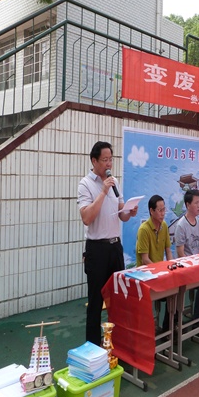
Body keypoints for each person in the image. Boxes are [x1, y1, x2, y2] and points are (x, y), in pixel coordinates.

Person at [78, 141, 138, 346]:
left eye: (111, 159)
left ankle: (118, 345)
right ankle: (92, 348)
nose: (109, 164)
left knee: (119, 299)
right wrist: (103, 191)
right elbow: (87, 218)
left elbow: (122, 215)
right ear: (94, 161)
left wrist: (129, 211)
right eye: (105, 160)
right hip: (97, 249)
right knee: (96, 302)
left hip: (115, 247)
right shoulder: (85, 184)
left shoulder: (115, 182)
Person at [174, 190, 199, 320]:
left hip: (198, 264)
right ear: (188, 205)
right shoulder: (181, 225)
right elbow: (180, 252)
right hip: (187, 266)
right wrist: (191, 266)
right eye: (196, 203)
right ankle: (198, 318)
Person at [136, 194, 172, 266]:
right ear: (151, 211)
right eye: (160, 210)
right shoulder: (144, 229)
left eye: (164, 210)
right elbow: (145, 259)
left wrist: (171, 266)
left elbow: (168, 251)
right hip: (146, 271)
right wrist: (158, 270)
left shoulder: (164, 225)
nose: (163, 214)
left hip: (159, 269)